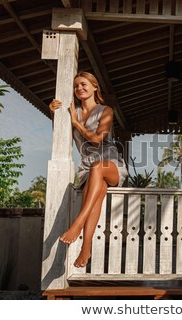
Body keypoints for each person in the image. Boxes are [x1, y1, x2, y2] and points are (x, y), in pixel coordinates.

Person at [49, 71, 128, 268]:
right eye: (76, 86)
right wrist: (54, 115)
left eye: (84, 84)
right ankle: (86, 247)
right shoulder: (72, 112)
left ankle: (77, 224)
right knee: (97, 190)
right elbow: (61, 137)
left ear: (94, 87)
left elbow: (98, 139)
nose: (79, 88)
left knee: (98, 168)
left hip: (110, 163)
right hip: (88, 167)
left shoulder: (106, 110)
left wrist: (76, 123)